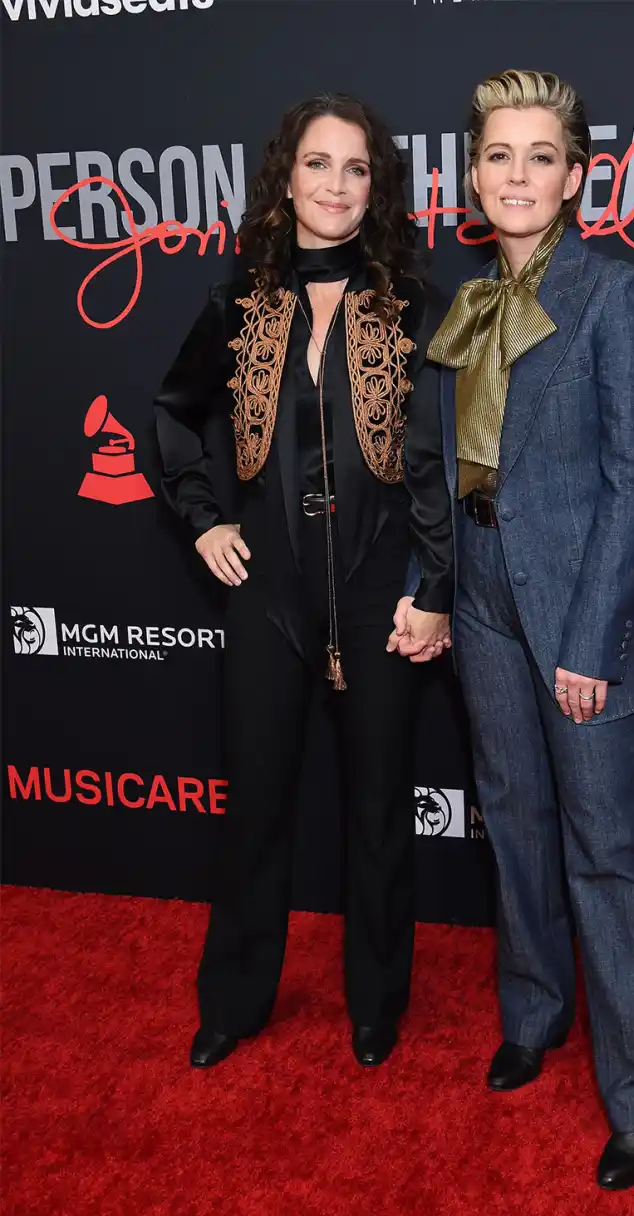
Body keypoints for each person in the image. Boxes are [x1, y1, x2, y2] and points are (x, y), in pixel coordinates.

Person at [402, 69, 634, 1189]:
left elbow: (633, 483)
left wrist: (589, 639)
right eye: (494, 155)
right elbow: (449, 471)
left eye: (537, 156)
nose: (514, 175)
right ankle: (532, 1013)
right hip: (480, 601)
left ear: (574, 176)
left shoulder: (615, 298)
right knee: (512, 818)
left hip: (580, 616)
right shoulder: (462, 299)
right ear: (469, 175)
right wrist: (437, 589)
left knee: (608, 849)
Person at [154, 93, 452, 1072]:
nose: (335, 185)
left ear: (377, 185)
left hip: (379, 594)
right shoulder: (243, 301)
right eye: (318, 165)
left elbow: (448, 464)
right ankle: (234, 999)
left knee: (376, 812)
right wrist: (204, 522)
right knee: (255, 808)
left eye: (355, 168)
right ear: (287, 178)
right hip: (267, 588)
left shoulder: (414, 306)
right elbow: (173, 413)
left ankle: (376, 999)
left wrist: (432, 584)